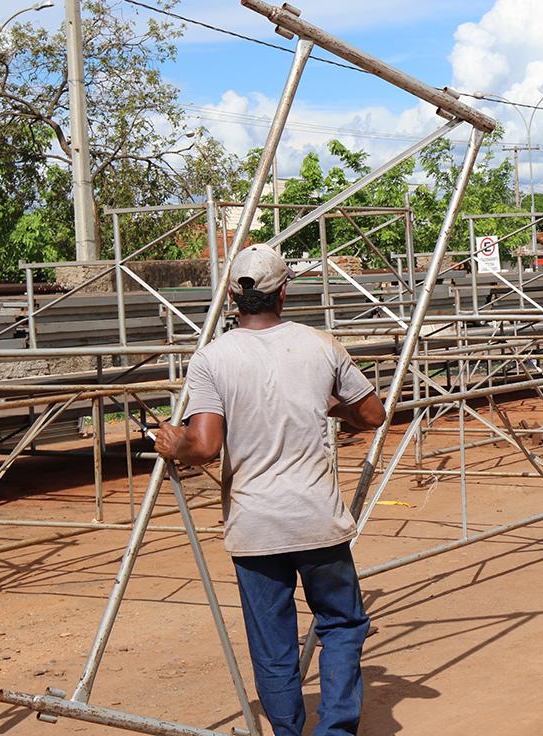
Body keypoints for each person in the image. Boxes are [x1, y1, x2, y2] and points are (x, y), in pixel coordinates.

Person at [156, 243, 385, 736]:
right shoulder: (321, 345)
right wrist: (331, 406)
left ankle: (287, 731)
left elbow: (206, 446)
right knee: (342, 625)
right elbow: (372, 414)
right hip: (316, 518)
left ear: (234, 296)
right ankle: (337, 729)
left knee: (272, 642)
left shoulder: (212, 358)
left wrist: (177, 445)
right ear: (284, 291)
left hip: (255, 525)